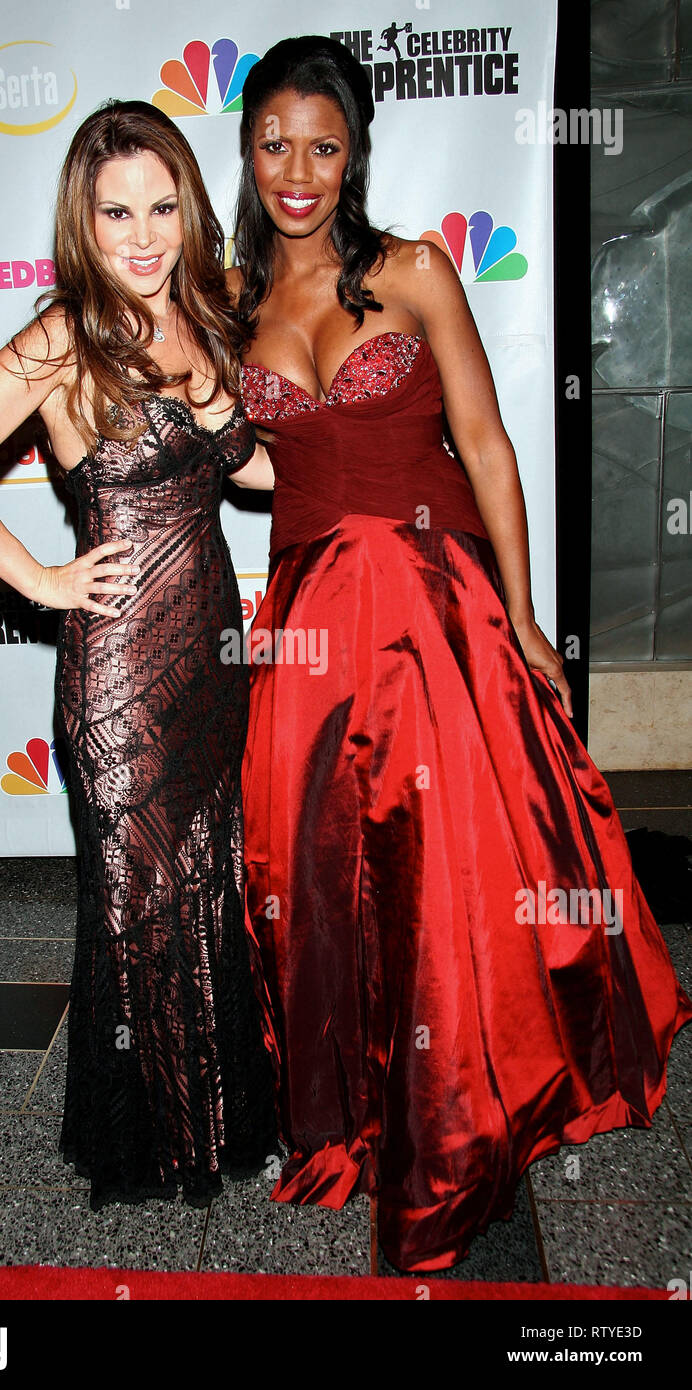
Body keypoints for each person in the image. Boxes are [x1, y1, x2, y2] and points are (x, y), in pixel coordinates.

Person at [229, 37, 692, 1272]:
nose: (297, 169)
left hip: (434, 617)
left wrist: (527, 617)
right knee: (319, 876)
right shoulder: (232, 306)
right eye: (274, 139)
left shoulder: (418, 270)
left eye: (321, 145)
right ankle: (357, 1115)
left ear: (352, 154)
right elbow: (278, 459)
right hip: (311, 637)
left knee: (452, 875)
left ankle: (472, 1109)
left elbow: (484, 448)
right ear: (247, 146)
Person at [0, 99, 277, 1210]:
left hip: (210, 647)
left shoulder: (206, 318)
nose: (143, 233)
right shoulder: (64, 334)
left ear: (190, 208)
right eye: (116, 212)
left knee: (202, 880)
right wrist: (44, 581)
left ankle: (213, 1119)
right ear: (83, 218)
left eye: (161, 206)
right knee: (136, 895)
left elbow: (250, 473)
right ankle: (146, 1138)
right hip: (118, 667)